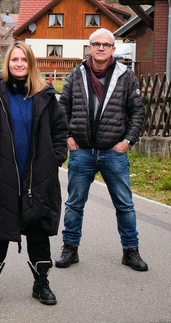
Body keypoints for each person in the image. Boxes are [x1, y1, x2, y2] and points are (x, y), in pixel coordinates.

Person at [0, 42, 69, 306]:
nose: (18, 64)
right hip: (2, 176)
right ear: (8, 62)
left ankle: (41, 284)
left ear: (30, 63)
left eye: (23, 60)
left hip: (38, 177)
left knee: (38, 233)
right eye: (14, 59)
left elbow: (60, 131)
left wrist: (55, 159)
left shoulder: (45, 95)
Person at [56, 28, 148, 272]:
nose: (100, 48)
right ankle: (70, 249)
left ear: (113, 50)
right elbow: (62, 107)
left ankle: (131, 252)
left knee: (125, 205)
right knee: (75, 203)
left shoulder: (125, 76)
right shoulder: (76, 74)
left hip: (113, 152)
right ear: (89, 48)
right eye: (96, 44)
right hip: (82, 151)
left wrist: (128, 140)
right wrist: (67, 136)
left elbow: (138, 111)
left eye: (106, 44)